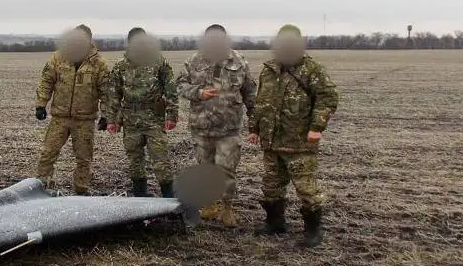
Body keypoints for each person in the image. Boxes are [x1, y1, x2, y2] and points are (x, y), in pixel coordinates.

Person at [248, 24, 339, 246]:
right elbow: (261, 102)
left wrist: (317, 128)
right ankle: (275, 222)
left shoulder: (311, 70)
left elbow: (328, 98)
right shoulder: (268, 70)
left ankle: (313, 231)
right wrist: (254, 128)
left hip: (298, 141)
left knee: (306, 188)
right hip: (271, 141)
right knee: (271, 185)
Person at [176, 24, 256, 226]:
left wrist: (255, 123)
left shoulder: (238, 61)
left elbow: (250, 92)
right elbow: (179, 85)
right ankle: (209, 205)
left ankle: (227, 208)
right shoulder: (193, 61)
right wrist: (198, 93)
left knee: (227, 169)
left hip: (229, 128)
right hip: (201, 127)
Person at [34, 25, 110, 194]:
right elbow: (47, 81)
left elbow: (106, 91)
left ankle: (81, 191)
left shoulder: (99, 64)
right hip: (60, 117)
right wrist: (41, 104)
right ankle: (41, 187)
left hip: (85, 120)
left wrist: (106, 115)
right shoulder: (58, 58)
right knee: (48, 153)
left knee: (84, 159)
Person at [105, 28, 178, 197]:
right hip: (131, 121)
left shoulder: (159, 62)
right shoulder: (121, 66)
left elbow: (171, 89)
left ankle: (169, 200)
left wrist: (172, 115)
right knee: (135, 162)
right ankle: (140, 198)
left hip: (153, 119)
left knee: (161, 161)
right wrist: (111, 120)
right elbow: (114, 94)